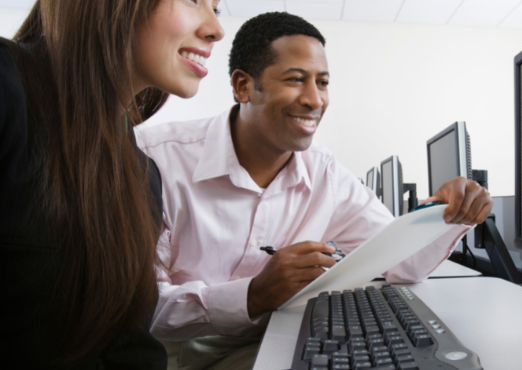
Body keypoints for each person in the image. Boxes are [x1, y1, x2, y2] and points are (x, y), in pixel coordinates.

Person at [136, 12, 493, 368]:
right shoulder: (155, 159)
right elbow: (136, 307)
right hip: (171, 352)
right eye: (295, 79)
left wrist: (446, 213)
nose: (314, 99)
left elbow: (401, 263)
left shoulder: (325, 172)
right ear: (243, 86)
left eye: (322, 83)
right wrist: (254, 294)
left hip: (270, 339)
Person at [0, 0, 224, 368]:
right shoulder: (8, 88)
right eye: (194, 0)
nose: (216, 28)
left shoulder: (140, 172)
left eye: (216, 6)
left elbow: (126, 347)